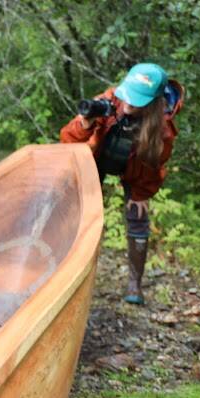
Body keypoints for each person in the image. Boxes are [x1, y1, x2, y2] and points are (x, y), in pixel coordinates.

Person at [60, 63, 184, 305]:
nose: (128, 104)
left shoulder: (163, 129)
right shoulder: (107, 101)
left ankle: (134, 286)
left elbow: (152, 166)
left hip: (133, 171)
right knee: (76, 212)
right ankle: (66, 271)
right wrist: (85, 124)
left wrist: (141, 195)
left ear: (153, 102)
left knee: (137, 216)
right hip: (97, 159)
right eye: (128, 95)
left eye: (137, 100)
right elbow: (68, 141)